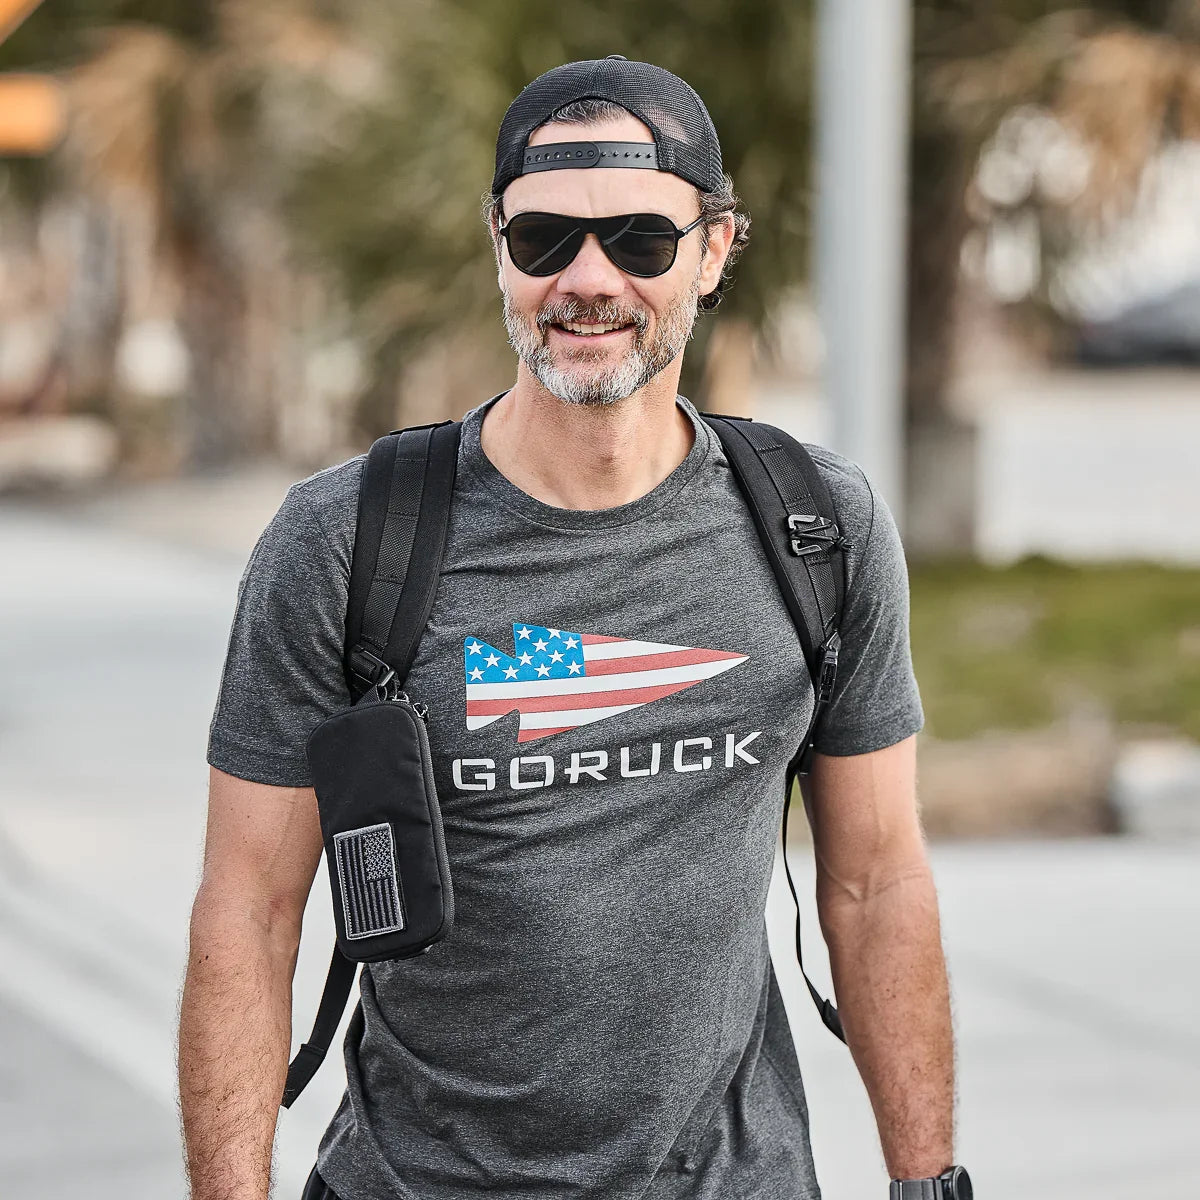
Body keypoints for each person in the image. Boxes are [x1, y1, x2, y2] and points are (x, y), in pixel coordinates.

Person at [179, 56, 960, 1200]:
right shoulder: (349, 541)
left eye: (641, 238)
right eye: (546, 239)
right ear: (497, 241)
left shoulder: (816, 529)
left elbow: (877, 881)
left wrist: (929, 1182)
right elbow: (249, 911)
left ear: (715, 248)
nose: (588, 280)